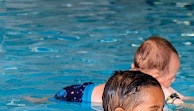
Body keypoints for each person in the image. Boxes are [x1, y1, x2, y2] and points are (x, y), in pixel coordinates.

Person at [53, 36, 184, 105]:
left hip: (82, 90)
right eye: (172, 77)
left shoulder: (134, 74)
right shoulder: (143, 84)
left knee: (49, 100)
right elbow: (175, 101)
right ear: (156, 76)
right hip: (81, 98)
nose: (174, 80)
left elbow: (175, 95)